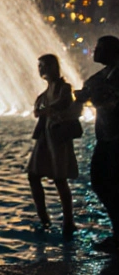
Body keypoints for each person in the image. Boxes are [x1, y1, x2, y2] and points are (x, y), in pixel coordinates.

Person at [26, 54, 79, 240]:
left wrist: (45, 109)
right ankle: (44, 218)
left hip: (57, 137)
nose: (40, 69)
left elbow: (63, 103)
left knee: (59, 178)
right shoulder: (45, 91)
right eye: (39, 66)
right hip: (44, 137)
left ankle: (68, 221)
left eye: (42, 65)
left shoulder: (64, 87)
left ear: (52, 66)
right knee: (33, 175)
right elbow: (39, 110)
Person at [78, 35, 119, 252]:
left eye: (99, 48)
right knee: (101, 183)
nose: (95, 51)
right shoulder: (102, 76)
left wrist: (90, 95)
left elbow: (110, 99)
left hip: (115, 141)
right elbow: (91, 89)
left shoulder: (114, 76)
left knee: (105, 183)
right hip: (106, 139)